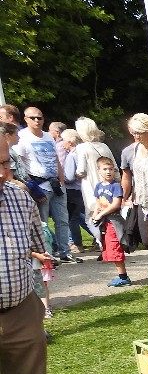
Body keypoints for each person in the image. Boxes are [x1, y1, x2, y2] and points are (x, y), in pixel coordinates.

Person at [0, 138, 51, 374]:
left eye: (6, 163)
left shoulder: (19, 198)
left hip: (21, 310)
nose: (4, 173)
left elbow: (37, 242)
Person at [13, 106, 74, 264]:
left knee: (62, 220)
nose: (36, 121)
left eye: (39, 118)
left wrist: (61, 181)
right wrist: (32, 186)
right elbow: (20, 164)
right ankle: (47, 253)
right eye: (33, 118)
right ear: (25, 119)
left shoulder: (48, 136)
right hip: (39, 184)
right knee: (43, 223)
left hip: (55, 183)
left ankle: (65, 252)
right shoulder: (22, 137)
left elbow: (56, 160)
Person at [119, 113, 148, 254]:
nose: (136, 136)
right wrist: (123, 198)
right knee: (146, 240)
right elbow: (126, 177)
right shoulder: (130, 151)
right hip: (141, 202)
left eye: (139, 133)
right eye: (133, 132)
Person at [74, 117, 118, 248]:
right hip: (109, 185)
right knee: (109, 215)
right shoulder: (104, 146)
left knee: (93, 216)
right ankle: (111, 243)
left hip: (91, 185)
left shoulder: (81, 148)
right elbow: (114, 167)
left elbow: (81, 170)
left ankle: (102, 244)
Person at [91, 156, 131, 287]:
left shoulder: (115, 186)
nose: (108, 172)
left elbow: (116, 204)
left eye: (111, 169)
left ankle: (123, 277)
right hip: (103, 222)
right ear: (99, 170)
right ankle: (121, 275)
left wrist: (101, 214)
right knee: (108, 247)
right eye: (105, 169)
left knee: (115, 247)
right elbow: (98, 202)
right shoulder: (98, 186)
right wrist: (95, 214)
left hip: (114, 221)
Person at [60, 129, 89, 257]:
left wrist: (60, 177)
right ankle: (100, 239)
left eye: (63, 140)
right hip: (82, 189)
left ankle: (77, 243)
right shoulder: (82, 152)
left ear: (70, 142)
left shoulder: (72, 155)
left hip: (72, 190)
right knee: (83, 216)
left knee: (72, 218)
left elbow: (69, 176)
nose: (62, 143)